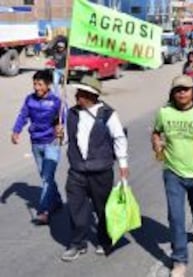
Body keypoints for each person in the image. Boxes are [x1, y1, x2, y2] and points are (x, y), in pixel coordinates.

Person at [151, 75, 193, 277]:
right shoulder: (164, 112)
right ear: (173, 93)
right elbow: (156, 133)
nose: (182, 93)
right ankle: (179, 260)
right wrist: (156, 143)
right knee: (176, 217)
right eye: (178, 90)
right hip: (173, 172)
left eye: (186, 89)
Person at [61, 76, 128, 262]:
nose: (76, 96)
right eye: (77, 92)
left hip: (101, 172)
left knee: (103, 209)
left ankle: (105, 240)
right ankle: (77, 244)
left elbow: (119, 138)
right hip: (77, 171)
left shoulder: (108, 114)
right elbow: (67, 138)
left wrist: (123, 164)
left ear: (91, 95)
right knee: (75, 208)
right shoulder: (72, 113)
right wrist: (59, 134)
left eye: (80, 93)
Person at [11, 70, 63, 225]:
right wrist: (16, 130)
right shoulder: (30, 99)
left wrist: (61, 129)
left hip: (52, 143)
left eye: (40, 84)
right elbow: (23, 115)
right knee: (45, 176)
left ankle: (43, 211)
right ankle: (57, 200)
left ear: (48, 85)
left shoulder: (57, 102)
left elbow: (65, 120)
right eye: (35, 84)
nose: (36, 87)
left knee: (47, 178)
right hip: (36, 143)